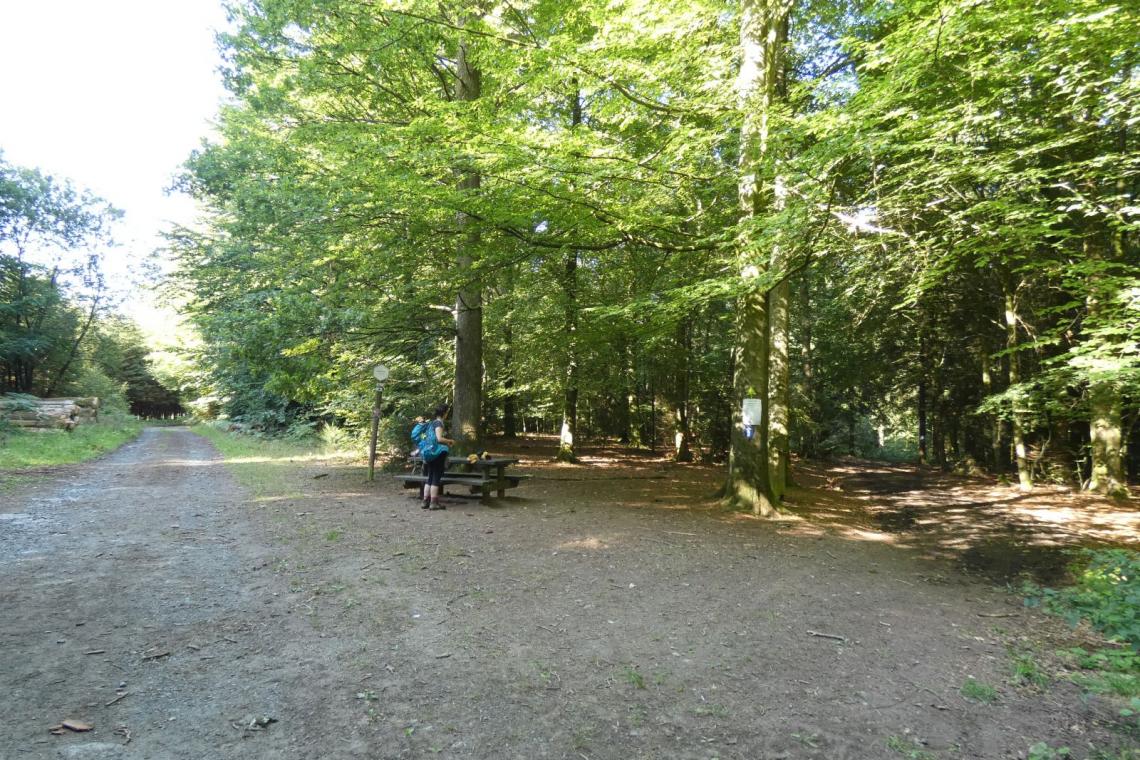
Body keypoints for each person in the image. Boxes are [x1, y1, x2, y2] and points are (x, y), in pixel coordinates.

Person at [422, 403, 455, 510]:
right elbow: (439, 439)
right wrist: (449, 441)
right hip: (437, 453)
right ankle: (433, 503)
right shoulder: (439, 423)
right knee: (436, 477)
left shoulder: (431, 423)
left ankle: (425, 501)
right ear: (444, 413)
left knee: (430, 477)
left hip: (429, 452)